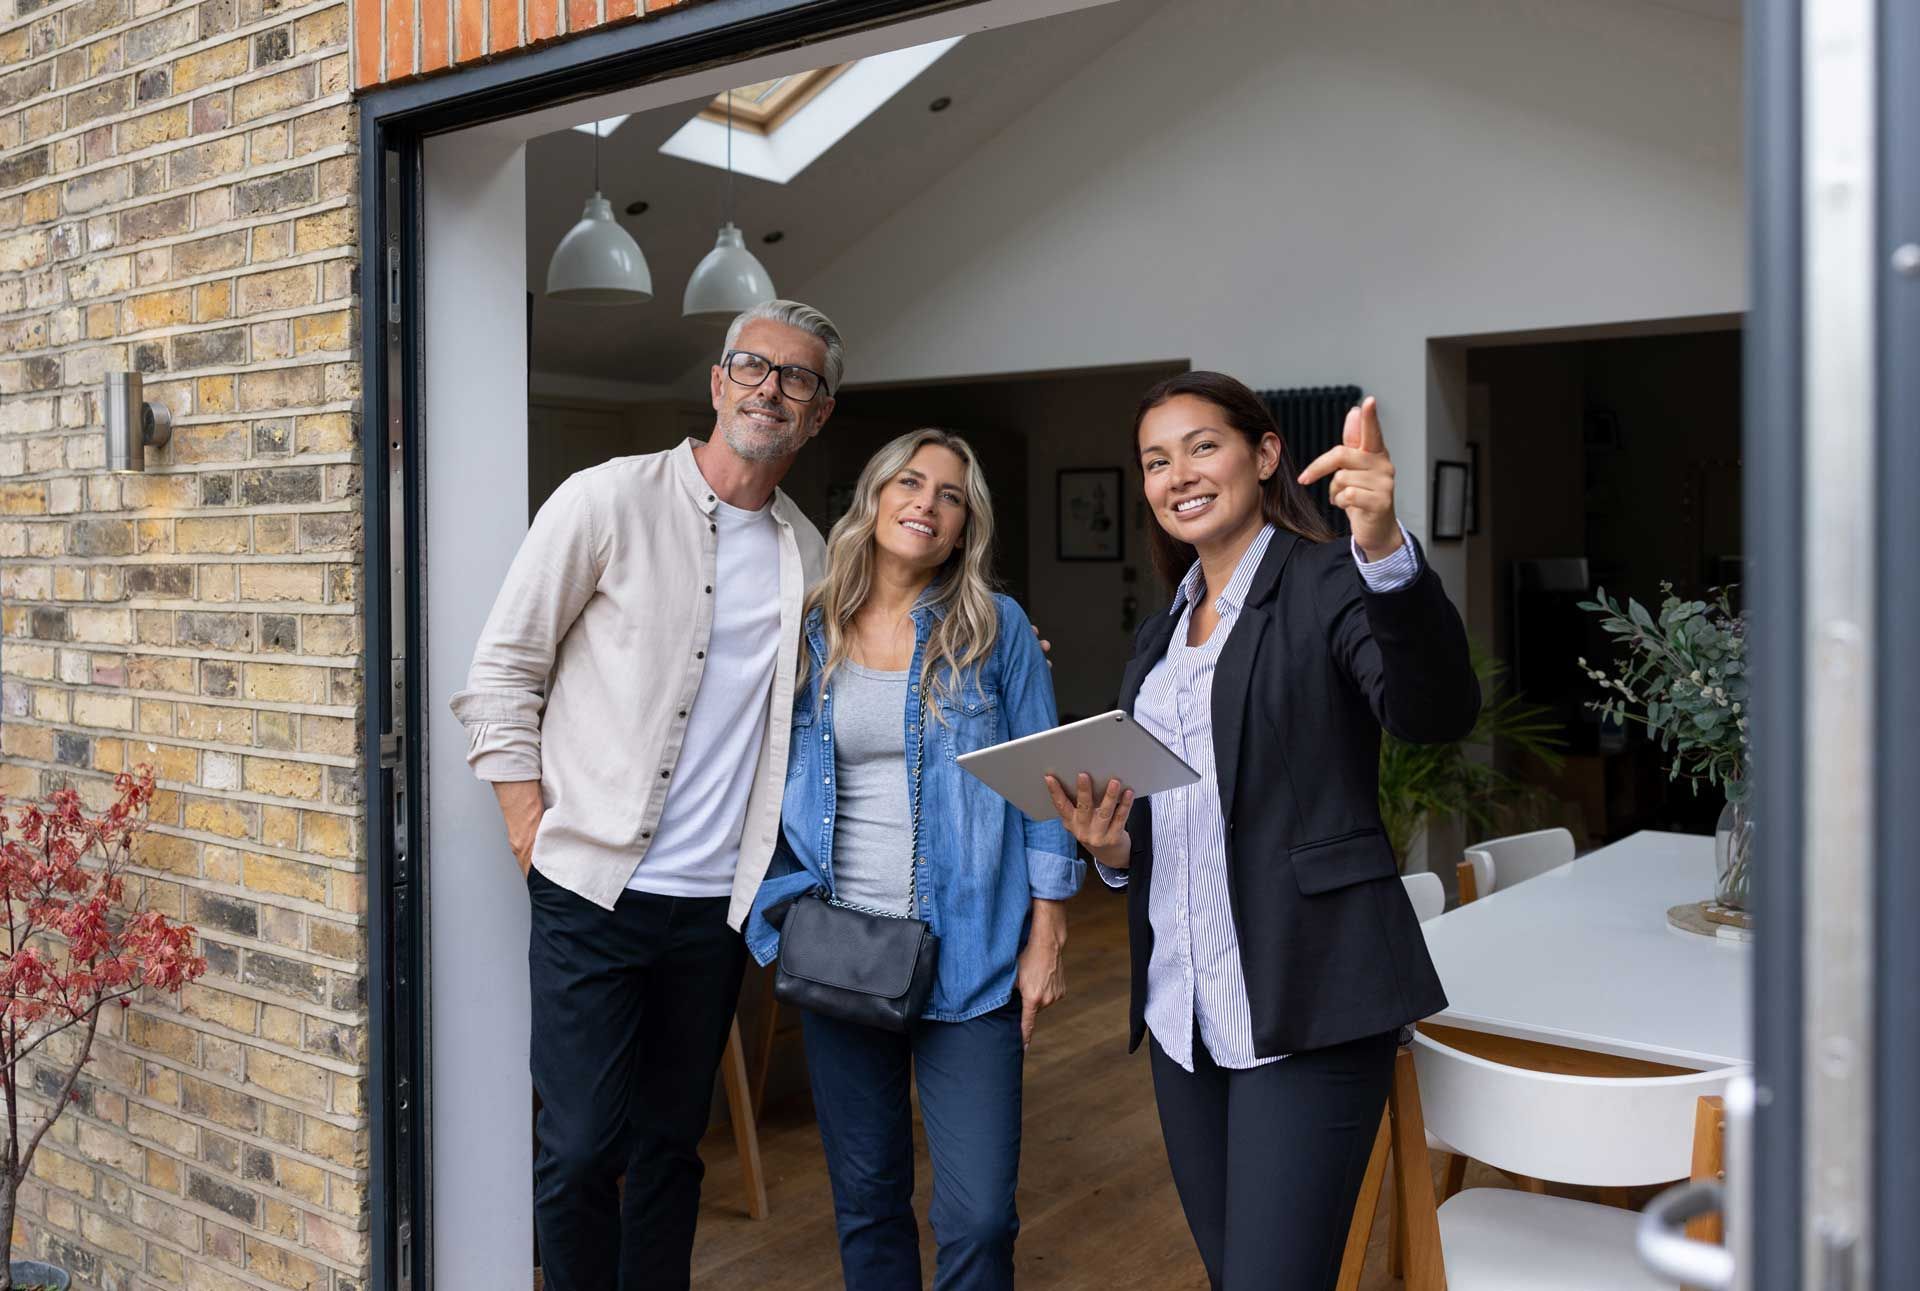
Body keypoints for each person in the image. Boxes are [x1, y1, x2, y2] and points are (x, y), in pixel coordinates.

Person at [1045, 372, 1480, 1290]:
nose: (1179, 476)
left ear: (1266, 454)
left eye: (1203, 446)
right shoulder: (1159, 634)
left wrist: (1386, 549)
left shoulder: (1330, 577)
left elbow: (1433, 711)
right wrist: (1116, 850)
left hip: (1308, 1000)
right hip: (1184, 1014)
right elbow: (1183, 816)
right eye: (1156, 461)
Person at [450, 301, 843, 1291]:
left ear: (820, 413)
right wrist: (527, 829)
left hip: (716, 904)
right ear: (718, 383)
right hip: (590, 888)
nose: (771, 388)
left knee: (671, 1146)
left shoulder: (814, 555)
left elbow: (864, 682)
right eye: (753, 366)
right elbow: (502, 674)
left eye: (797, 378)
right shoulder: (606, 500)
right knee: (581, 1145)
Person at [746, 429, 1083, 1291]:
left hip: (971, 956)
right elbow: (746, 764)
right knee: (866, 1199)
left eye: (951, 494)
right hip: (842, 951)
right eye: (910, 481)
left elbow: (1044, 786)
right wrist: (775, 918)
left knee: (978, 1217)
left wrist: (1047, 933)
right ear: (873, 495)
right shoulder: (806, 627)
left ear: (968, 525)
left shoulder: (996, 629)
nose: (926, 503)